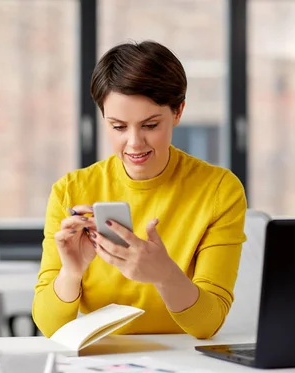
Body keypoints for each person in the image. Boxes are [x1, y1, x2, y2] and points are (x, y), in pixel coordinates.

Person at [32, 40, 247, 339]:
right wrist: (72, 271)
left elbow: (207, 324)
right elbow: (49, 326)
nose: (134, 143)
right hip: (106, 360)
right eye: (118, 127)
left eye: (150, 125)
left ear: (178, 112)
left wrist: (164, 274)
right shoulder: (71, 191)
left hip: (188, 360)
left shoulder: (219, 190)